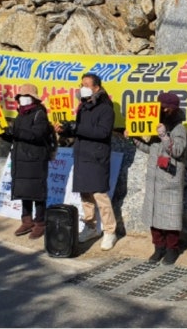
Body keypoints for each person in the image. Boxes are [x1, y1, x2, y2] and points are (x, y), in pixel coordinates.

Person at [55, 73, 117, 251]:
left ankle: (110, 231)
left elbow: (102, 133)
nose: (83, 87)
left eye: (87, 85)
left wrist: (77, 128)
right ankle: (90, 227)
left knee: (100, 195)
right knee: (85, 195)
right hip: (82, 155)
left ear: (97, 87)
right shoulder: (83, 106)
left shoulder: (106, 108)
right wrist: (66, 129)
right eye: (81, 84)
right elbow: (79, 131)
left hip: (96, 156)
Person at [126, 92, 187, 265]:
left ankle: (171, 249)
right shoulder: (156, 124)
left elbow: (177, 151)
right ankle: (158, 247)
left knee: (170, 217)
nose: (162, 110)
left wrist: (164, 135)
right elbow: (151, 149)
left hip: (170, 178)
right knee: (154, 216)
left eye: (165, 108)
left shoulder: (179, 128)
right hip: (154, 178)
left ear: (172, 109)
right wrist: (134, 139)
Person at [0, 83, 54, 240]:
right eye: (20, 97)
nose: (22, 99)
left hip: (36, 158)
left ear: (33, 99)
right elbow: (16, 136)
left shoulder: (40, 114)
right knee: (24, 190)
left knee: (38, 192)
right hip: (21, 157)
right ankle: (27, 220)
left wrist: (15, 131)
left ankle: (40, 222)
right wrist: (2, 132)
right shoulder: (20, 114)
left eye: (26, 96)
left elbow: (36, 135)